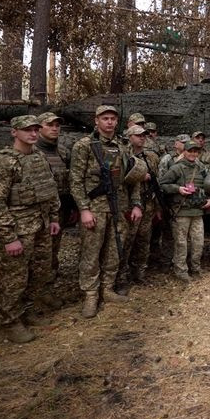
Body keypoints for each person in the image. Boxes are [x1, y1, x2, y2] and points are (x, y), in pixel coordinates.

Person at [0, 115, 61, 344]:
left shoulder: (39, 157)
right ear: (14, 132)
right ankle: (10, 320)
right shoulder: (0, 163)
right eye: (27, 130)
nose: (33, 134)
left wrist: (54, 218)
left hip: (41, 226)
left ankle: (28, 310)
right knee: (14, 277)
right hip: (18, 230)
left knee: (39, 271)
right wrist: (9, 237)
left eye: (36, 129)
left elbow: (49, 190)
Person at [70, 105, 143, 318]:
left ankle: (107, 289)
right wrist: (84, 209)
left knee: (114, 250)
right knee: (91, 253)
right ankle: (91, 294)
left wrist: (136, 204)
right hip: (95, 208)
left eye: (113, 118)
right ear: (97, 121)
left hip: (119, 207)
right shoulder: (84, 145)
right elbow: (75, 180)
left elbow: (133, 177)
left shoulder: (123, 145)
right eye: (105, 118)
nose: (109, 122)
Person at [159, 140, 210, 282]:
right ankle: (181, 270)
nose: (193, 154)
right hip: (181, 212)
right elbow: (162, 184)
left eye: (196, 151)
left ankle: (195, 268)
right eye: (190, 151)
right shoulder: (176, 168)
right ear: (184, 152)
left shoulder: (201, 168)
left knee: (198, 242)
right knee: (181, 243)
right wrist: (178, 189)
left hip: (197, 211)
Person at [118, 124, 161, 291]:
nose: (142, 138)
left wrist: (157, 206)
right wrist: (140, 176)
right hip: (130, 205)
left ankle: (140, 272)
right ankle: (122, 275)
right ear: (130, 137)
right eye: (138, 135)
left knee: (144, 239)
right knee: (127, 241)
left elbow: (157, 181)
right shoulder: (124, 156)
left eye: (144, 135)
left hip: (148, 203)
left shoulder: (151, 157)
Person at [36, 111, 72, 282]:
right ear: (39, 128)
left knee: (54, 243)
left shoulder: (63, 152)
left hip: (59, 208)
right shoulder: (32, 152)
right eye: (49, 125)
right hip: (37, 210)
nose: (55, 128)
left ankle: (50, 273)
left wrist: (72, 207)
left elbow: (71, 180)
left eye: (57, 125)